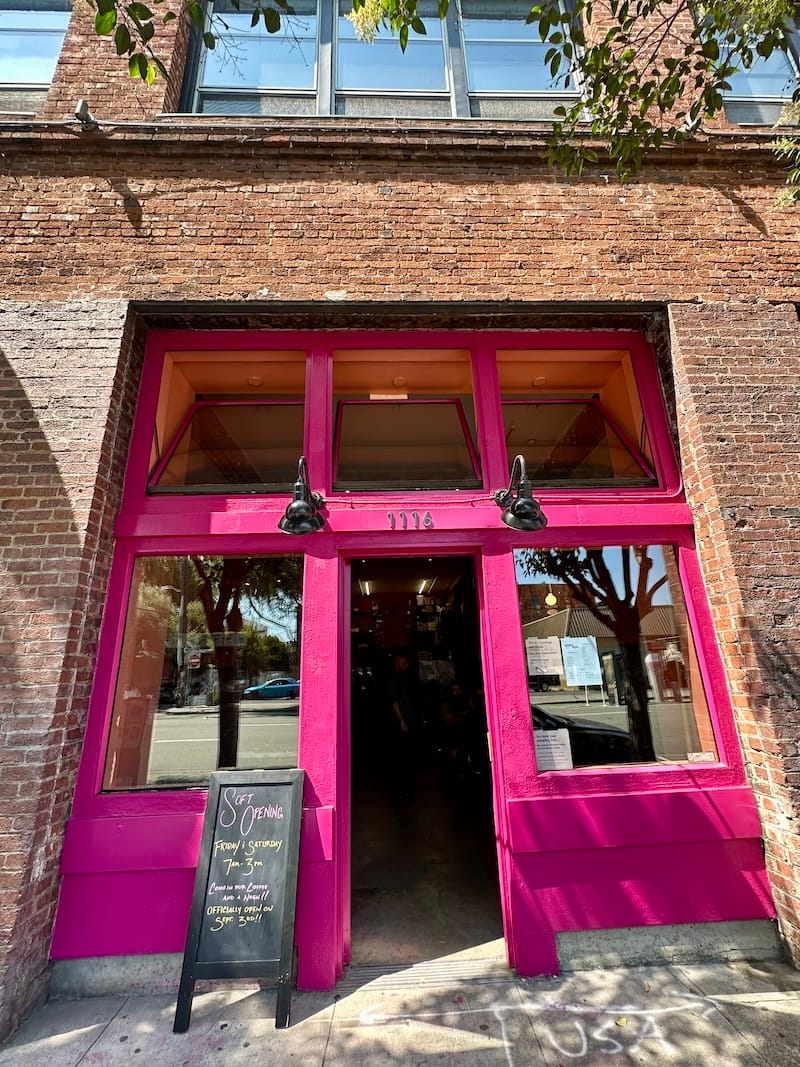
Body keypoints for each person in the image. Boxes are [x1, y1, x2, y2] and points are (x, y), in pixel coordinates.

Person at [386, 652, 420, 800]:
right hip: (400, 725)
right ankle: (400, 789)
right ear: (397, 663)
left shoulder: (405, 680)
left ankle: (406, 787)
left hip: (408, 722)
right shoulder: (394, 681)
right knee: (401, 757)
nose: (406, 665)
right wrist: (402, 721)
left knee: (408, 756)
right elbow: (394, 703)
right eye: (403, 663)